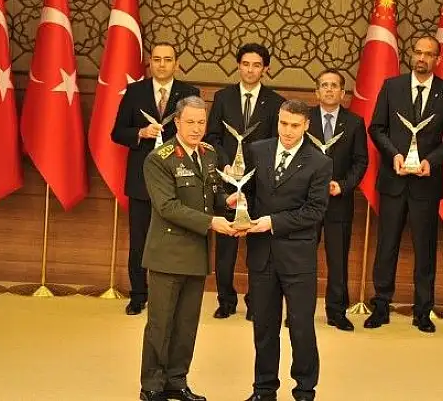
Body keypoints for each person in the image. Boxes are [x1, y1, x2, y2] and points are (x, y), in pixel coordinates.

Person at [138, 96, 238, 401]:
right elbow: (167, 207)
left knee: (186, 325)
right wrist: (212, 222)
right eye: (190, 122)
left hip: (196, 253)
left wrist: (229, 202)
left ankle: (176, 381)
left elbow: (213, 197)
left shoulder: (209, 154)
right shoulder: (159, 159)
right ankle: (152, 385)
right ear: (177, 122)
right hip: (167, 254)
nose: (196, 128)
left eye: (201, 122)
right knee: (161, 324)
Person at [363, 35, 443, 332]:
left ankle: (423, 311)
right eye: (418, 52)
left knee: (425, 248)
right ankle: (381, 306)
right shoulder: (391, 87)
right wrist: (393, 154)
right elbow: (376, 128)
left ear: (438, 60)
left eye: (428, 54)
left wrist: (432, 161)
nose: (422, 58)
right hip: (393, 179)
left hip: (425, 183)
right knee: (387, 245)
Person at [241, 100, 332, 401]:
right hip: (262, 255)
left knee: (301, 328)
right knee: (264, 327)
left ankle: (304, 390)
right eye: (283, 124)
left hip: (298, 259)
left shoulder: (320, 162)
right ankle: (263, 389)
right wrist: (237, 202)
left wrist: (272, 222)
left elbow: (315, 211)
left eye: (295, 125)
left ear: (306, 126)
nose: (288, 131)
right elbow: (248, 193)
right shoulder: (258, 150)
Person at [111, 42, 200, 315]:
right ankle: (138, 295)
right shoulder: (135, 92)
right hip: (141, 179)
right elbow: (117, 132)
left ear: (177, 64)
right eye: (157, 59)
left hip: (178, 178)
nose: (162, 64)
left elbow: (198, 132)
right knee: (139, 239)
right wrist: (140, 133)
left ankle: (172, 296)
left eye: (168, 59)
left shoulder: (190, 93)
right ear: (150, 63)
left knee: (175, 239)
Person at [205, 42, 286, 321]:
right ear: (238, 66)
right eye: (246, 64)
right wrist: (226, 163)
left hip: (259, 184)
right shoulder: (222, 97)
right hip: (227, 182)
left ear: (266, 69)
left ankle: (255, 302)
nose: (250, 70)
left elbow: (276, 143)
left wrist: (256, 169)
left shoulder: (275, 102)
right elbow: (212, 136)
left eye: (256, 65)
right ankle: (225, 301)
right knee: (225, 249)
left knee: (258, 249)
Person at [306, 69, 368, 331]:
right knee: (303, 259)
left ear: (343, 93)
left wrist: (342, 185)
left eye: (334, 86)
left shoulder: (354, 123)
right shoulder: (303, 119)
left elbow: (360, 162)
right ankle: (300, 311)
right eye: (324, 85)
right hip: (306, 201)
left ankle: (336, 312)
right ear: (317, 91)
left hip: (338, 201)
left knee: (338, 259)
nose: (329, 89)